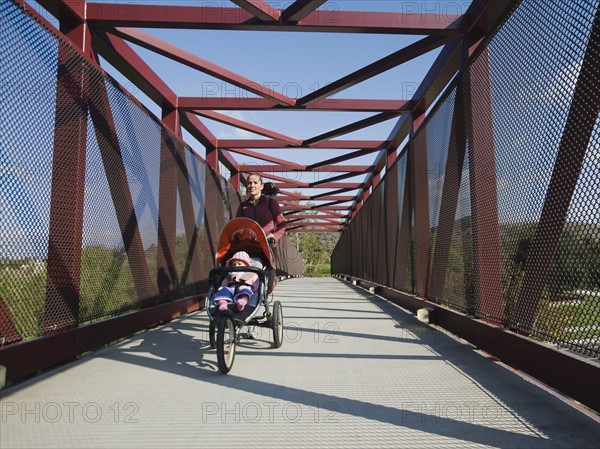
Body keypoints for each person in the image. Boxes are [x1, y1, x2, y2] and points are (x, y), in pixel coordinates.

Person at [235, 173, 286, 338]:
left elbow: (282, 224)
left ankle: (249, 314)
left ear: (261, 186)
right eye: (249, 183)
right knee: (238, 273)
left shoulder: (271, 203)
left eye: (255, 182)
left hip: (266, 248)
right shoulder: (243, 206)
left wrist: (274, 236)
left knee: (259, 278)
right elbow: (236, 224)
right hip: (247, 247)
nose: (252, 185)